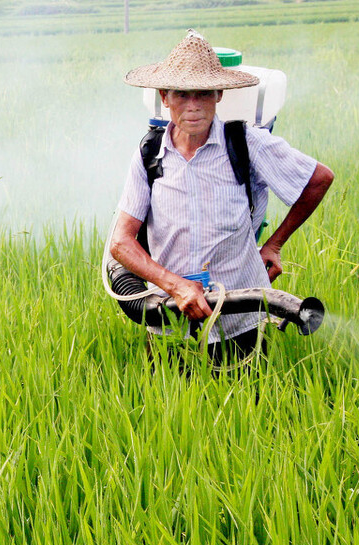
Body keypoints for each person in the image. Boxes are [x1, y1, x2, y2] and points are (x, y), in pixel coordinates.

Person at [107, 30, 334, 363]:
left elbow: (318, 179)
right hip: (170, 323)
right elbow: (121, 243)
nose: (194, 106)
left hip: (238, 325)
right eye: (183, 94)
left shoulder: (245, 143)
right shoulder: (149, 154)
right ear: (164, 97)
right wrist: (174, 286)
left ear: (219, 95)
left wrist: (274, 244)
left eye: (204, 94)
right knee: (170, 412)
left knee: (249, 409)